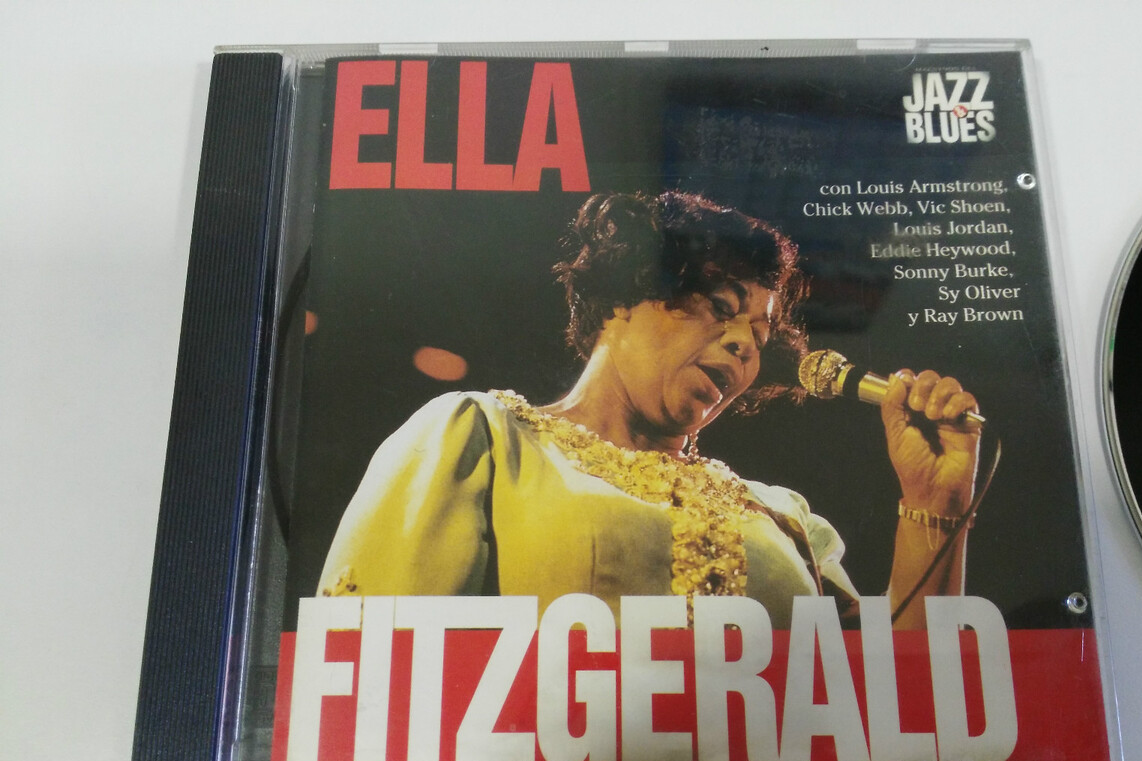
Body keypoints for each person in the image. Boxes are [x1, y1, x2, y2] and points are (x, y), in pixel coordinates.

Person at [317, 191, 981, 630]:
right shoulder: (484, 437)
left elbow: (902, 703)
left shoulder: (786, 515)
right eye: (720, 309)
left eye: (758, 336)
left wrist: (936, 503)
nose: (744, 346)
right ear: (623, 296)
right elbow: (379, 672)